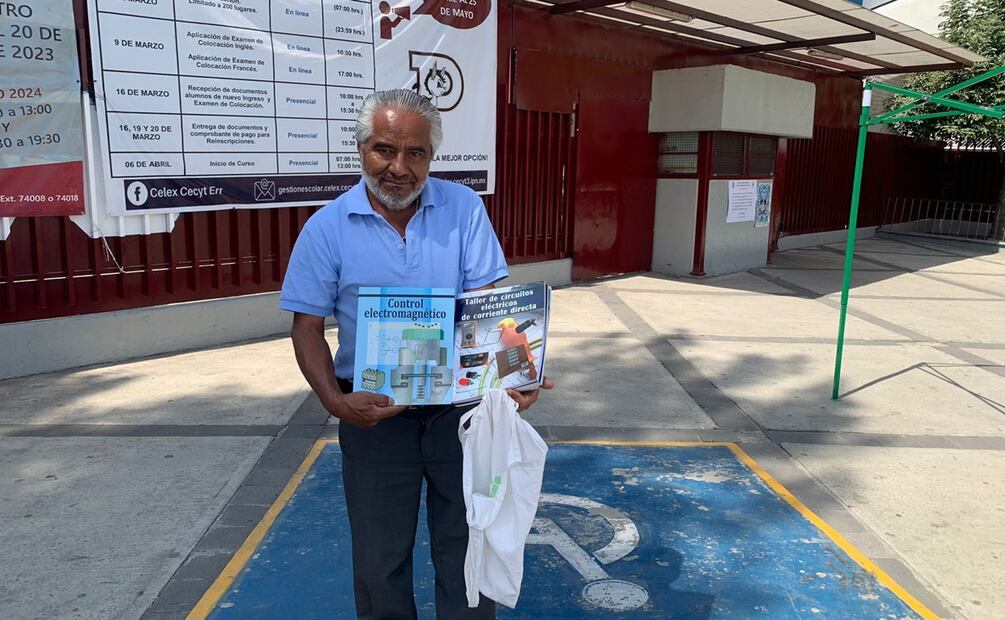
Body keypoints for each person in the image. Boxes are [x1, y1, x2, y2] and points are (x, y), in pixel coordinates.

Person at [279, 88, 553, 619]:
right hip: (375, 418)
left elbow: (489, 310)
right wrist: (336, 402)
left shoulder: (463, 208)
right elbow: (306, 327)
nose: (400, 168)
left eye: (416, 153)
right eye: (385, 150)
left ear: (431, 156)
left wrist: (516, 375)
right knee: (379, 560)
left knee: (468, 549)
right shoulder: (326, 228)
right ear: (361, 149)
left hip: (462, 415)